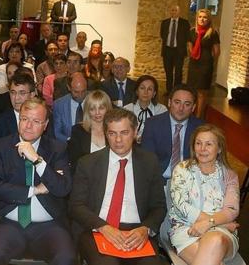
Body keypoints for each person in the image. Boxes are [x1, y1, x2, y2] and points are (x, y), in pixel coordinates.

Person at [0, 98, 76, 265]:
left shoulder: (57, 149)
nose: (28, 125)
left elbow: (62, 188)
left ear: (45, 125)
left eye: (36, 121)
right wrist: (35, 190)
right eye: (24, 119)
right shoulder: (1, 147)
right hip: (8, 223)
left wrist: (37, 160)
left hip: (49, 226)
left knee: (66, 258)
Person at [68, 108, 167, 265]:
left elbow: (159, 206)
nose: (118, 140)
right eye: (112, 133)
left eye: (124, 133)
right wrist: (103, 227)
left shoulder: (149, 162)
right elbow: (76, 206)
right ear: (106, 134)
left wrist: (145, 229)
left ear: (135, 133)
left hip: (136, 232)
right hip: (98, 229)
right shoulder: (88, 163)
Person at [168, 124, 240, 265]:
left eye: (209, 144)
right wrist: (222, 224)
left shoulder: (229, 175)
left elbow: (231, 210)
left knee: (215, 239)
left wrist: (210, 224)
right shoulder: (182, 169)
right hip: (186, 230)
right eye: (198, 143)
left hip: (222, 234)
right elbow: (182, 206)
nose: (202, 149)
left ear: (219, 148)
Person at [141, 84, 204, 181]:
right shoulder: (152, 124)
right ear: (169, 102)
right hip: (160, 181)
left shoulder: (201, 128)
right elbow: (147, 160)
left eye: (187, 104)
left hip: (190, 182)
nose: (181, 108)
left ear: (193, 107)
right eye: (177, 102)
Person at [67, 90, 112, 173]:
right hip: (86, 178)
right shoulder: (78, 131)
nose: (97, 113)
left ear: (108, 108)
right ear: (87, 111)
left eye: (101, 108)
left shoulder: (114, 130)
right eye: (92, 109)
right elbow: (75, 163)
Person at [187, 8, 220, 117]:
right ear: (197, 18)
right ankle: (190, 114)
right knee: (191, 90)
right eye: (200, 17)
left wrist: (211, 63)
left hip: (205, 65)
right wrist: (194, 55)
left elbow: (217, 51)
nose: (202, 19)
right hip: (194, 64)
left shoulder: (213, 33)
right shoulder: (192, 31)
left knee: (202, 92)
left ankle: (198, 117)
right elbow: (190, 47)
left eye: (205, 17)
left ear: (209, 19)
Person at [0, 72, 36, 142]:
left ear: (32, 95)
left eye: (22, 93)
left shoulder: (41, 118)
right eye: (13, 93)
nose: (16, 98)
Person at [123, 75, 167, 140]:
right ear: (137, 91)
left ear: (154, 93)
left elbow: (163, 132)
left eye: (149, 89)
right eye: (142, 88)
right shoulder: (127, 109)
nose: (145, 92)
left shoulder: (161, 110)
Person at [160, 4, 190, 94]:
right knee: (168, 71)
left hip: (178, 51)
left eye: (175, 10)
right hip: (167, 50)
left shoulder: (184, 23)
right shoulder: (165, 22)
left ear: (179, 12)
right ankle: (169, 90)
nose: (173, 12)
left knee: (178, 72)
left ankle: (177, 90)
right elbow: (162, 35)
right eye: (172, 10)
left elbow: (187, 36)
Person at [53, 72, 88, 142]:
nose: (80, 95)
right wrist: (70, 141)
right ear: (69, 88)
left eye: (83, 91)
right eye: (76, 92)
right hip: (68, 144)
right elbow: (57, 132)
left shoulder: (95, 101)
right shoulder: (59, 105)